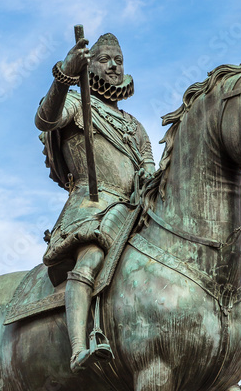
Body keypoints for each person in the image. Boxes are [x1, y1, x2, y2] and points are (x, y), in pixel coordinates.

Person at [36, 33, 155, 372]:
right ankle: (77, 347)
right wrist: (64, 76)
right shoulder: (77, 103)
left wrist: (150, 176)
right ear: (91, 64)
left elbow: (148, 165)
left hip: (134, 211)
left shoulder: (135, 126)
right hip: (94, 206)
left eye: (119, 59)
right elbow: (46, 119)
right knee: (90, 259)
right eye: (105, 59)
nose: (114, 65)